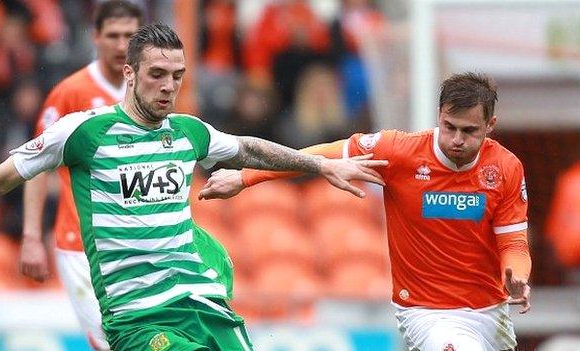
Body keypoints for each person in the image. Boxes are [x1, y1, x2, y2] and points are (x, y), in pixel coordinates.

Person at [0, 23, 387, 351]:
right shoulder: (84, 132)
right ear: (129, 73)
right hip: (138, 319)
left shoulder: (187, 132)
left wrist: (319, 165)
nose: (168, 86)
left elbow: (247, 148)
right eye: (157, 74)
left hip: (201, 303)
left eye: (177, 76)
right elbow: (4, 176)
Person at [199, 72, 532, 351]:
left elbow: (514, 244)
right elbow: (322, 154)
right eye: (449, 127)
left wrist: (517, 275)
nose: (456, 139)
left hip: (490, 310)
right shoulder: (400, 152)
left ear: (490, 125)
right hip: (425, 310)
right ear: (438, 117)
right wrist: (245, 177)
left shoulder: (504, 168)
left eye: (469, 131)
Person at [17, 1, 142, 350]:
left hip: (135, 245)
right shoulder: (71, 93)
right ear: (96, 37)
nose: (121, 46)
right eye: (113, 36)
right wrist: (30, 235)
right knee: (111, 343)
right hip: (81, 247)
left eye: (130, 36)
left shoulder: (152, 94)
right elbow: (34, 164)